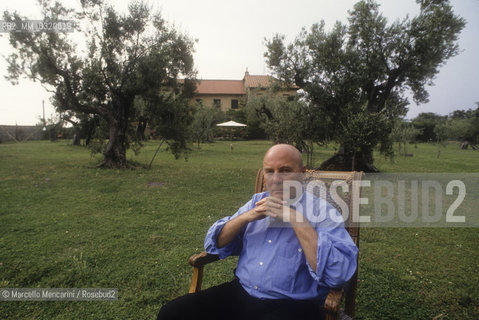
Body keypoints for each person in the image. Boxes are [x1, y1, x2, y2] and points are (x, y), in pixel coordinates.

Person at [157, 144, 358, 320]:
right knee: (171, 313)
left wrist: (296, 219)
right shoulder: (256, 202)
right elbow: (216, 243)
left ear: (303, 173)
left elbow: (337, 275)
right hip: (240, 293)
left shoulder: (323, 212)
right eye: (270, 171)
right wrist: (247, 216)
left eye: (285, 170)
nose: (276, 179)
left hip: (292, 304)